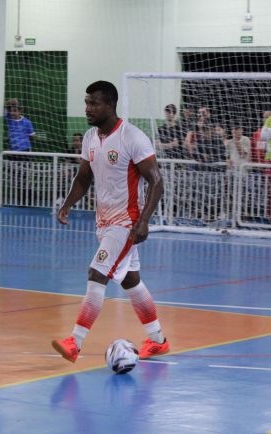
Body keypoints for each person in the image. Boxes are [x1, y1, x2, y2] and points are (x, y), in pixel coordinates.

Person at [52, 80, 169, 363]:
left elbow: (156, 181)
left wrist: (144, 221)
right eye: (86, 102)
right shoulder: (90, 137)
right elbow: (84, 177)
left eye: (93, 103)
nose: (87, 108)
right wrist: (67, 203)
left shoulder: (132, 137)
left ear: (110, 105)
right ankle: (158, 341)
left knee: (97, 273)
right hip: (103, 223)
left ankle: (74, 342)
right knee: (131, 281)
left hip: (126, 223)